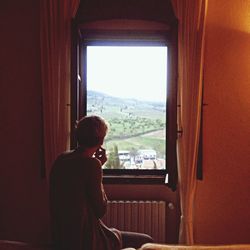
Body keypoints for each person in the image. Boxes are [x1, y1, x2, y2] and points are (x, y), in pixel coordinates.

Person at [49, 115, 153, 250]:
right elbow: (100, 210)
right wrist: (98, 167)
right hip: (85, 240)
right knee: (146, 241)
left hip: (62, 238)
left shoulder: (61, 159)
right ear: (101, 140)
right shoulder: (91, 165)